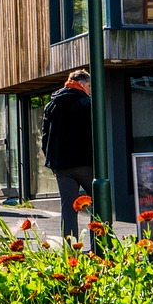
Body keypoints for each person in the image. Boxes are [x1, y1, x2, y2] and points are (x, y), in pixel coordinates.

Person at [42, 69, 93, 240]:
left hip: (61, 165)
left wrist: (52, 160)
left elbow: (45, 136)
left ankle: (70, 249)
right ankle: (101, 246)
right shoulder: (87, 103)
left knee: (68, 208)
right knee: (100, 203)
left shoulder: (52, 105)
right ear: (82, 84)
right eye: (89, 86)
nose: (90, 89)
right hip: (85, 162)